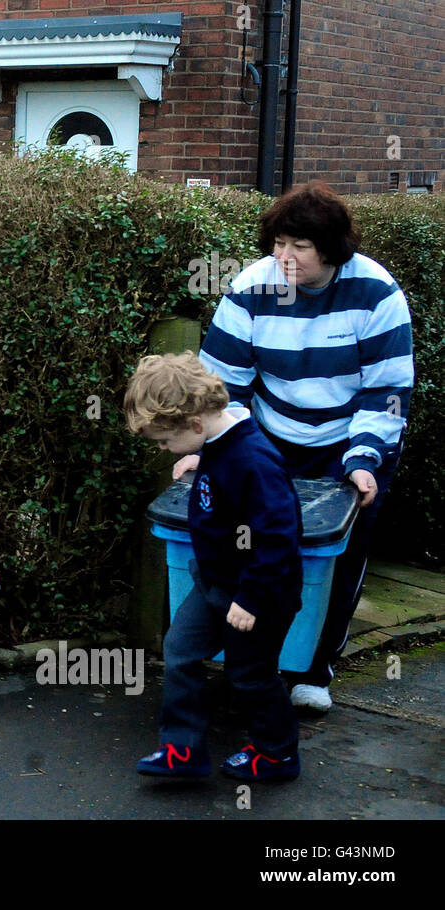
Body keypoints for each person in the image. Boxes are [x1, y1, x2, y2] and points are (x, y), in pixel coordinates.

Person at [192, 180, 414, 713]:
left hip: (348, 439)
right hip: (268, 438)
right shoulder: (251, 287)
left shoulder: (377, 294)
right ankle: (251, 660)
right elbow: (223, 384)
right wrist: (217, 448)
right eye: (278, 243)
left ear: (332, 250)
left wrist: (364, 460)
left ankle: (315, 670)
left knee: (337, 556)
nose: (284, 257)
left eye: (300, 247)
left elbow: (385, 390)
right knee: (255, 545)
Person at [126, 353, 304, 781]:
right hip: (214, 585)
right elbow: (221, 472)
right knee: (180, 652)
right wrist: (200, 458)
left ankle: (277, 754)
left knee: (251, 676)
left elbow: (280, 537)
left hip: (257, 595)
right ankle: (183, 750)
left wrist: (252, 597)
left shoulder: (253, 461)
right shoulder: (218, 445)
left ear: (196, 424)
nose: (164, 450)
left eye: (165, 441)